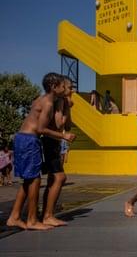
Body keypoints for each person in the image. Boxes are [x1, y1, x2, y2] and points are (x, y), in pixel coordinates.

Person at [6, 72, 75, 230]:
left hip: (26, 139)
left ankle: (15, 217)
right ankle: (32, 220)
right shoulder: (49, 104)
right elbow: (41, 128)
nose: (67, 89)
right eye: (63, 86)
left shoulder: (43, 100)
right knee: (34, 180)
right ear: (53, 87)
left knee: (30, 180)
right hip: (29, 140)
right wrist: (64, 135)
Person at [41, 76, 74, 227]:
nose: (71, 90)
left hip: (55, 142)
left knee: (52, 180)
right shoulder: (56, 102)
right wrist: (66, 108)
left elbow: (68, 125)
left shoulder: (63, 102)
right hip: (49, 141)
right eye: (69, 87)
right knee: (59, 178)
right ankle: (47, 215)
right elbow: (58, 122)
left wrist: (68, 107)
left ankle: (47, 213)